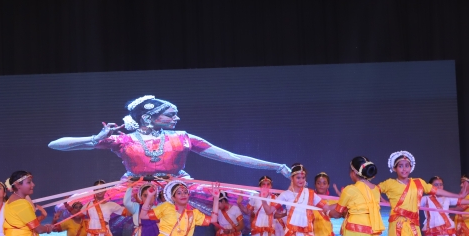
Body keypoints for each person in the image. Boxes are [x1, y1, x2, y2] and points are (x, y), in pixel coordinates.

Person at [48, 95, 291, 180]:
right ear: (148, 117)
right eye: (170, 115)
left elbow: (231, 157)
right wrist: (95, 138)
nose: (177, 118)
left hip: (177, 190)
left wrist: (275, 166)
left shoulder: (183, 138)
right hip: (135, 194)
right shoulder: (124, 140)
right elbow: (55, 145)